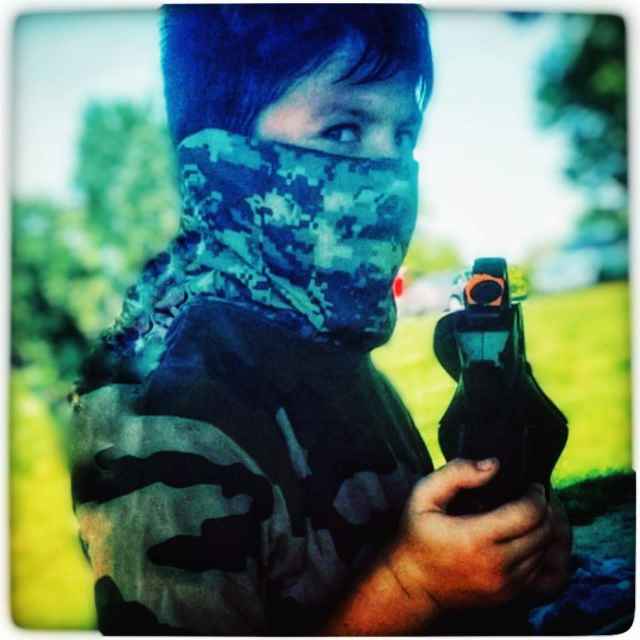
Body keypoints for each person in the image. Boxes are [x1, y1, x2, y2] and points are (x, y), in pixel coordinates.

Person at [70, 4, 572, 635]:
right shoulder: (160, 409)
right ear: (220, 156)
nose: (390, 173)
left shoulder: (329, 347)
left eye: (404, 136)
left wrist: (499, 565)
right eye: (343, 130)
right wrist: (411, 589)